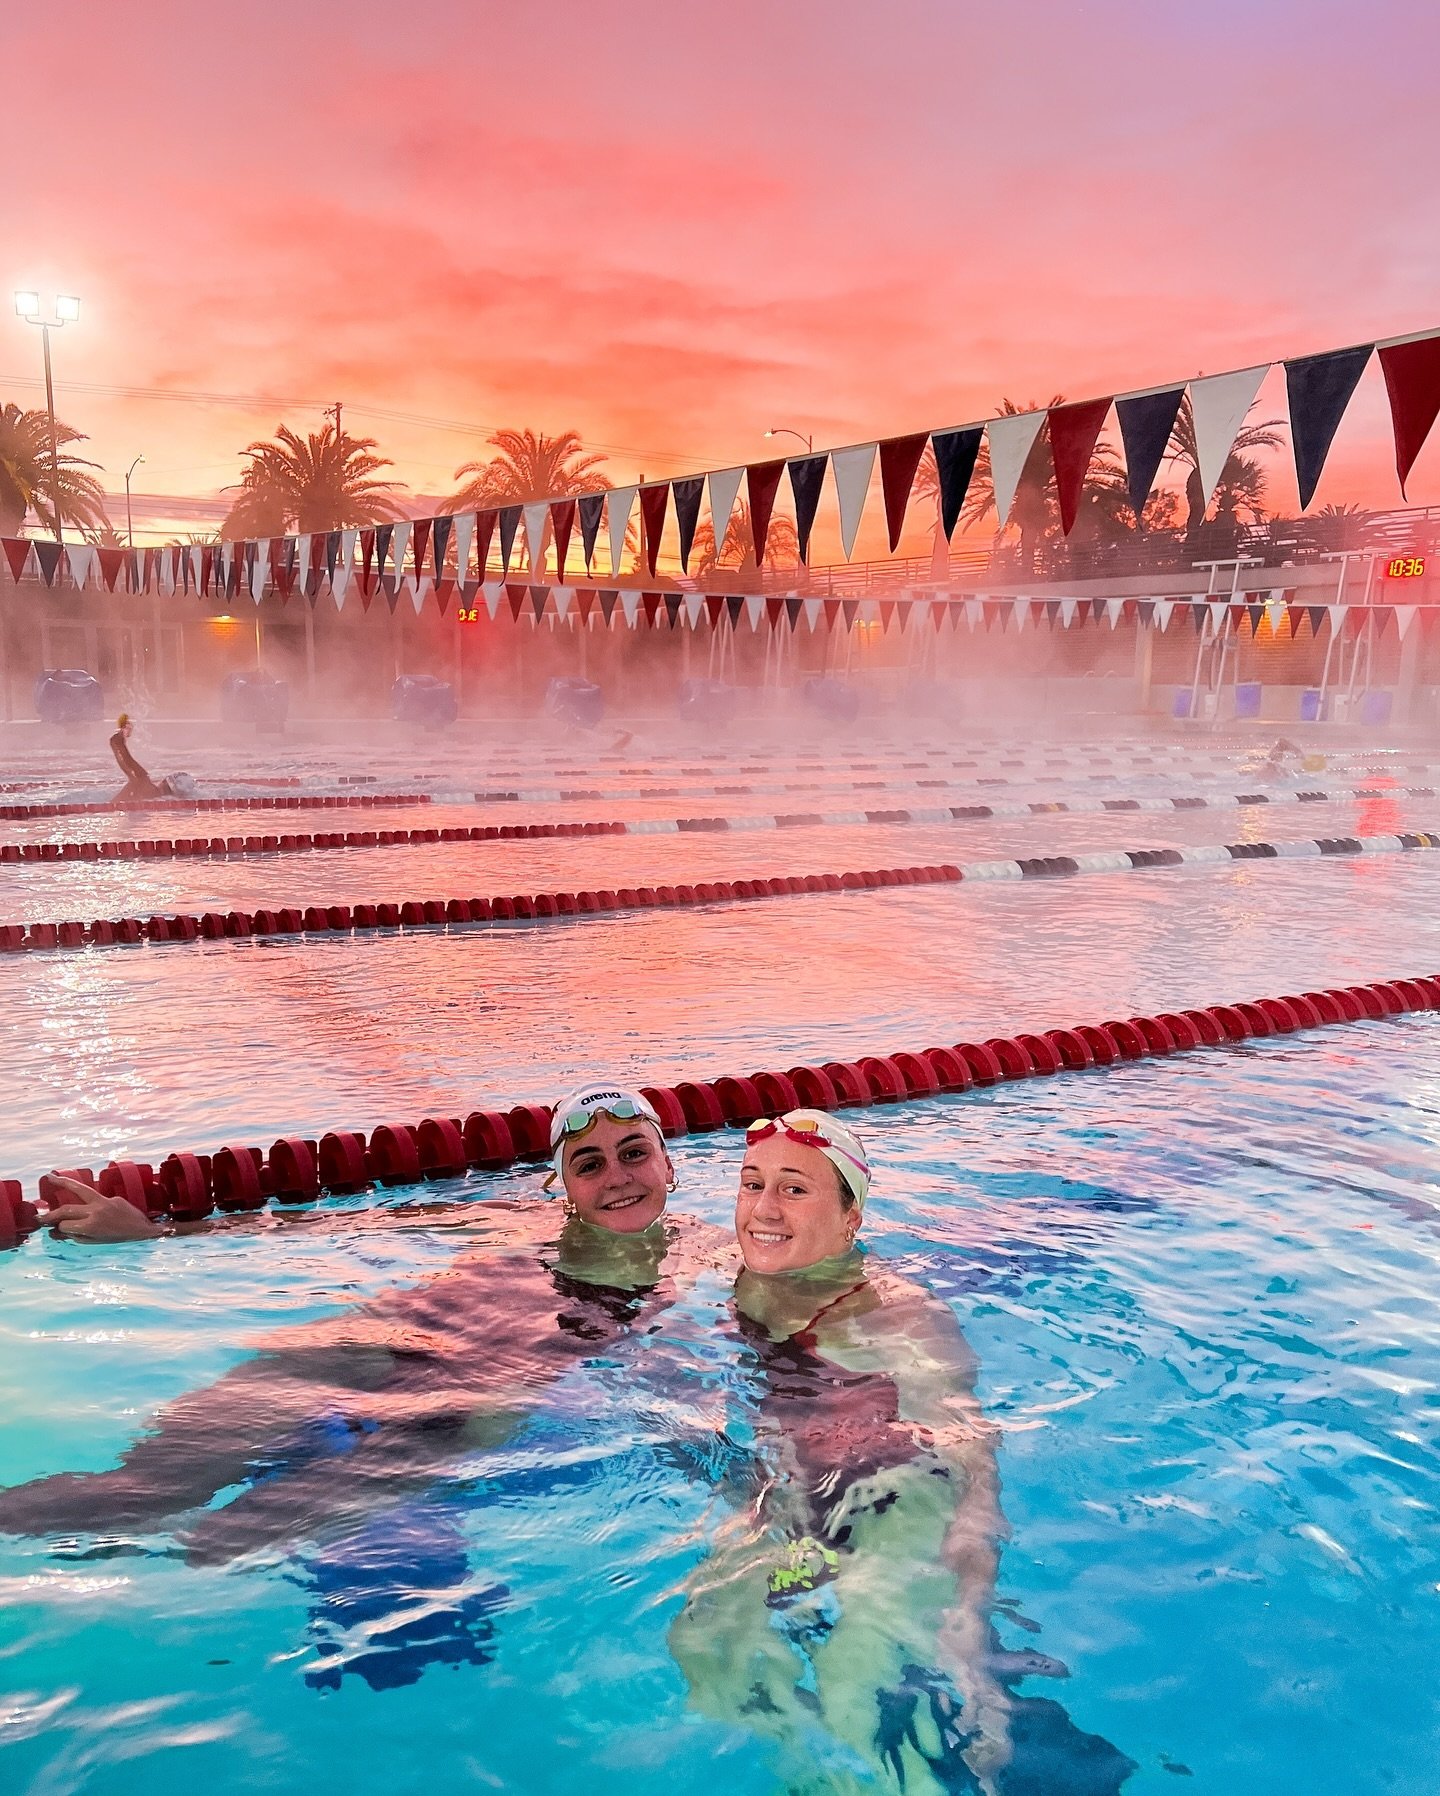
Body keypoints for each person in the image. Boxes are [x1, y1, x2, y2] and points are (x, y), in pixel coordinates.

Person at [0, 1084, 729, 1691]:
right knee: (140, 1489)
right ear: (561, 1187)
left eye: (634, 1153)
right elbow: (331, 1225)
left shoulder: (706, 1253)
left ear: (669, 1164)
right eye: (589, 1164)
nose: (617, 1176)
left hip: (457, 1408)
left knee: (220, 1540)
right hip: (356, 1351)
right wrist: (155, 1238)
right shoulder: (506, 1218)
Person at [670, 1109, 1135, 1795]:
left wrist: (970, 1598)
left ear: (850, 1219)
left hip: (893, 1501)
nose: (764, 1208)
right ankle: (813, 1775)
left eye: (794, 1188)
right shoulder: (739, 1277)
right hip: (796, 1503)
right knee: (705, 1648)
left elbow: (972, 1453)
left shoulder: (897, 1312)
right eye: (752, 1183)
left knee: (857, 1681)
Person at [108, 711, 175, 802]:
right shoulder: (118, 739)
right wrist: (132, 774)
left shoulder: (117, 738)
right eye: (130, 727)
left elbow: (125, 759)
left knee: (137, 785)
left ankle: (112, 803)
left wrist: (131, 774)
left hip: (139, 777)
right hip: (139, 777)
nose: (131, 730)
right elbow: (125, 759)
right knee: (137, 784)